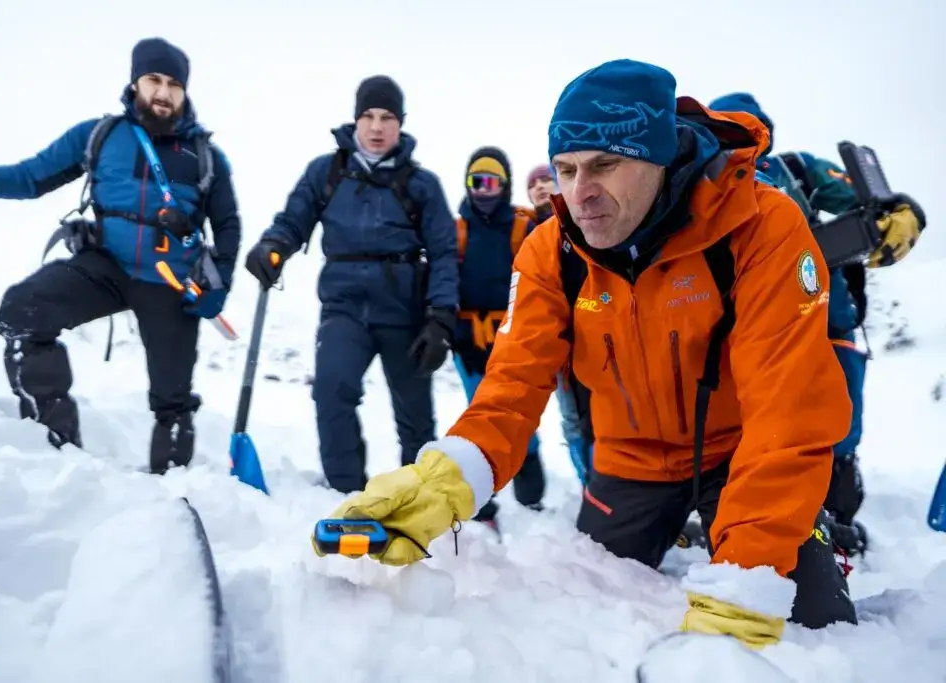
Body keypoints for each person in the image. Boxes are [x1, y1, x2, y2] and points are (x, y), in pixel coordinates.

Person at [313, 59, 861, 649]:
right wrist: (439, 485)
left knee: (811, 625)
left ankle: (787, 532)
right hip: (631, 464)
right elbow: (511, 387)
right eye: (567, 169)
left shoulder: (759, 224)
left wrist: (745, 582)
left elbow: (786, 409)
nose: (580, 193)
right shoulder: (551, 250)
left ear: (658, 157)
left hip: (740, 453)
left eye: (604, 165)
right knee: (588, 595)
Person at [0, 38, 241, 474]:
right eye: (154, 80)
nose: (164, 92)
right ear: (136, 82)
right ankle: (56, 449)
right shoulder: (100, 136)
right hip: (105, 265)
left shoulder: (205, 157)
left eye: (174, 84)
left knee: (173, 398)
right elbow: (27, 179)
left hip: (168, 281)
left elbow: (228, 225)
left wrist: (219, 284)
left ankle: (173, 488)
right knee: (23, 309)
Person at [709, 92, 927, 557]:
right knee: (756, 428)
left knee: (837, 423)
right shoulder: (705, 183)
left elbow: (869, 199)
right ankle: (751, 522)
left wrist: (900, 209)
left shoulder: (797, 170)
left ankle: (837, 518)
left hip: (828, 318)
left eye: (749, 130)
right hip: (750, 330)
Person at [243, 75, 458, 495]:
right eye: (368, 116)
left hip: (405, 313)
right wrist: (273, 245)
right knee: (331, 392)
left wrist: (441, 318)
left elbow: (444, 254)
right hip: (344, 308)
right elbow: (293, 221)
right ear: (356, 119)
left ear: (400, 124)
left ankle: (417, 499)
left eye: (387, 117)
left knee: (415, 416)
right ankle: (347, 495)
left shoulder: (422, 185)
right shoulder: (327, 172)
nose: (376, 127)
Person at [453, 147, 546, 530]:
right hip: (469, 341)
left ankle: (530, 497)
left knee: (519, 418)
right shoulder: (456, 231)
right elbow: (444, 281)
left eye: (493, 182)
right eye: (477, 181)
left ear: (505, 186)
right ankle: (483, 506)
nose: (484, 190)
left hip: (514, 336)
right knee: (479, 420)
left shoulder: (523, 228)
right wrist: (456, 335)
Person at [527, 163, 593, 484]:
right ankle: (588, 485)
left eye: (546, 179)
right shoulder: (524, 232)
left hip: (595, 335)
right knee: (571, 420)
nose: (540, 187)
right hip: (557, 346)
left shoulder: (582, 220)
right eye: (533, 184)